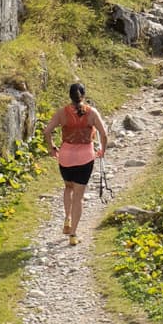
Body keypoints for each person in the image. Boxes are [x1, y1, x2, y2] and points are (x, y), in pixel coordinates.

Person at [44, 82, 108, 244]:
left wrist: (52, 148)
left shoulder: (61, 113)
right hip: (85, 157)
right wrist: (102, 150)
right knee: (78, 197)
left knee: (68, 188)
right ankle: (73, 235)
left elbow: (47, 131)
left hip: (65, 156)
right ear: (84, 95)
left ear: (70, 95)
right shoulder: (92, 112)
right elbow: (104, 133)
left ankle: (67, 218)